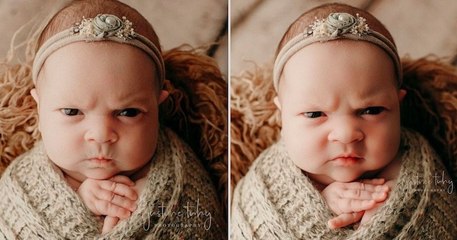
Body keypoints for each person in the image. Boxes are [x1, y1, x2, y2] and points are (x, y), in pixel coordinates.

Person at [0, 0, 227, 239]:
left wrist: (151, 211)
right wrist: (80, 200)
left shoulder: (183, 186)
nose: (100, 134)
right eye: (71, 112)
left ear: (157, 107)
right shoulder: (21, 185)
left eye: (128, 112)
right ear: (40, 107)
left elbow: (203, 222)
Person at [231, 3, 457, 239]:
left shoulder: (420, 167)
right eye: (315, 114)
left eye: (371, 110)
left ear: (398, 106)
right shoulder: (270, 180)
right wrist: (323, 203)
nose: (346, 133)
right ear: (282, 116)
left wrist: (398, 206)